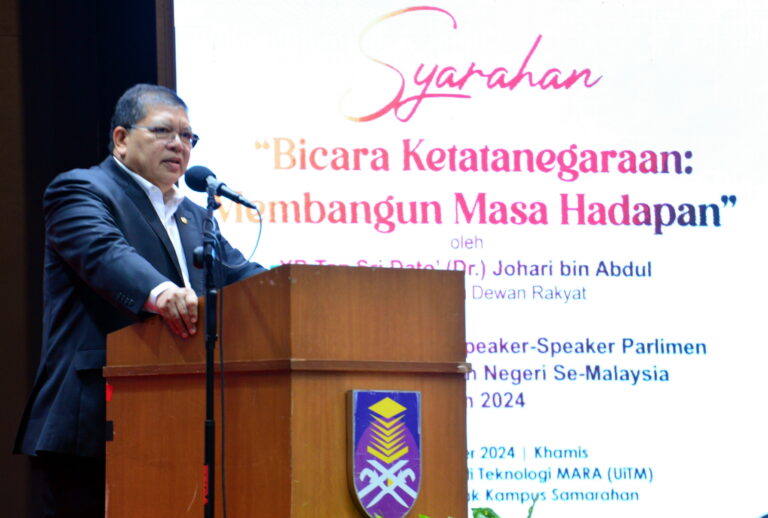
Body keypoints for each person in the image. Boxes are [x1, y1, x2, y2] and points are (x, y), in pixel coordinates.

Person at [14, 84, 265, 517]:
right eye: (164, 131)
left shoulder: (195, 216)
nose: (179, 145)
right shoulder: (81, 190)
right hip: (91, 424)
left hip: (176, 422)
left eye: (188, 136)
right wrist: (161, 292)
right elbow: (104, 253)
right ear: (121, 139)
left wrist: (303, 291)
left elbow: (241, 276)